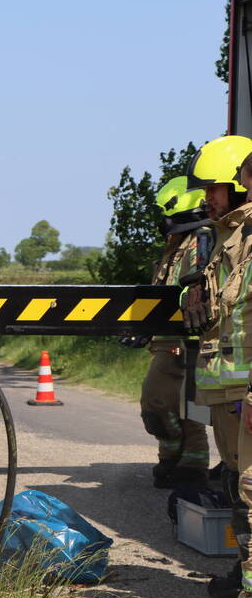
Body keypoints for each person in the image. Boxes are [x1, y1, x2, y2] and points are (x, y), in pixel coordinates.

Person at [174, 136, 252, 598]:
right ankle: (244, 582)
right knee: (239, 492)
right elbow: (201, 290)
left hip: (249, 392)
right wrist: (192, 293)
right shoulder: (224, 238)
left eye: (215, 187)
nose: (208, 196)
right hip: (229, 391)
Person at [128, 176, 210, 488]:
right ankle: (171, 455)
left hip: (193, 341)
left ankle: (193, 464)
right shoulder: (175, 246)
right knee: (158, 405)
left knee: (193, 408)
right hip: (167, 341)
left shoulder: (202, 244)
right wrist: (143, 329)